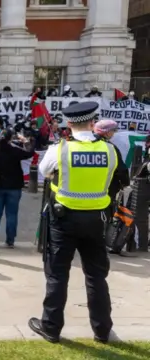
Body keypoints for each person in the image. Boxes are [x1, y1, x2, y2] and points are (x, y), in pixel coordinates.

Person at [30, 101, 127, 344]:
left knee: (57, 275)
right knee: (96, 277)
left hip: (63, 218)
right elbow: (121, 178)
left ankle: (51, 328)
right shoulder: (110, 150)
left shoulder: (60, 149)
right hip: (96, 219)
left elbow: (43, 171)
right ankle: (103, 331)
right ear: (92, 122)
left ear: (69, 123)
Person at [0, 129, 35, 248]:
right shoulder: (15, 151)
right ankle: (10, 241)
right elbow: (30, 153)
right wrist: (25, 141)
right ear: (11, 138)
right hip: (14, 187)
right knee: (12, 214)